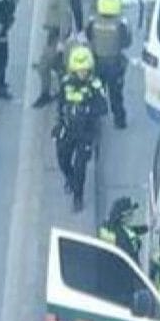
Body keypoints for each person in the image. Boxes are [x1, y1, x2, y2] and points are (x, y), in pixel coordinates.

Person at [53, 44, 108, 212]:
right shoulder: (66, 83)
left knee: (80, 166)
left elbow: (103, 107)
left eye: (85, 70)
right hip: (68, 129)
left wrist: (88, 109)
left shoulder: (95, 85)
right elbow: (60, 103)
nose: (83, 73)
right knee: (62, 158)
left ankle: (78, 197)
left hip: (86, 132)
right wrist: (60, 122)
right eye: (79, 70)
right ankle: (70, 179)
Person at [86, 0, 132, 129]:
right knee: (116, 95)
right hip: (114, 64)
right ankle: (120, 121)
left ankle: (93, 119)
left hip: (97, 62)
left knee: (95, 92)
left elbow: (88, 36)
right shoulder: (120, 23)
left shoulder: (93, 21)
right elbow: (126, 43)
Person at [31, 0, 73, 108]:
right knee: (57, 65)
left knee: (44, 67)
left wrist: (61, 40)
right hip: (53, 34)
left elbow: (65, 18)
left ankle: (46, 94)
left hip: (56, 36)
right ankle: (64, 91)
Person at [98, 196, 148, 264]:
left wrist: (147, 228)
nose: (132, 215)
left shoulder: (120, 228)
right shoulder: (119, 235)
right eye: (130, 213)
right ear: (123, 216)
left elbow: (133, 230)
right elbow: (128, 255)